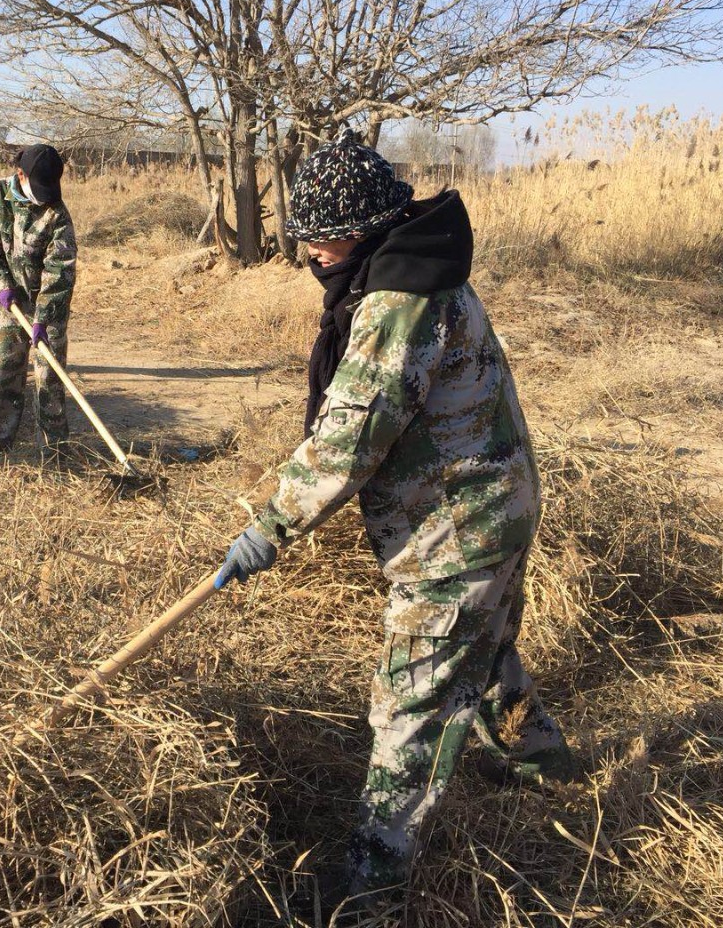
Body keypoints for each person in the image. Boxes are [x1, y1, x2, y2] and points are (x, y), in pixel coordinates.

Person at [213, 129, 577, 905]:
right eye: (305, 235)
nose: (312, 251)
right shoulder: (418, 263)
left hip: (460, 530)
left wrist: (269, 528)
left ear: (365, 228)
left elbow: (349, 439)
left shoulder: (401, 299)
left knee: (412, 699)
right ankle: (542, 759)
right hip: (495, 507)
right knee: (484, 648)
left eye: (324, 237)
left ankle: (370, 887)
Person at [0, 144, 77, 454]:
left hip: (48, 304)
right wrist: (2, 284)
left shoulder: (57, 213)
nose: (44, 196)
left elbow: (60, 270)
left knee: (49, 376)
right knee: (7, 366)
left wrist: (43, 318)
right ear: (20, 175)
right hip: (11, 301)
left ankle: (54, 447)